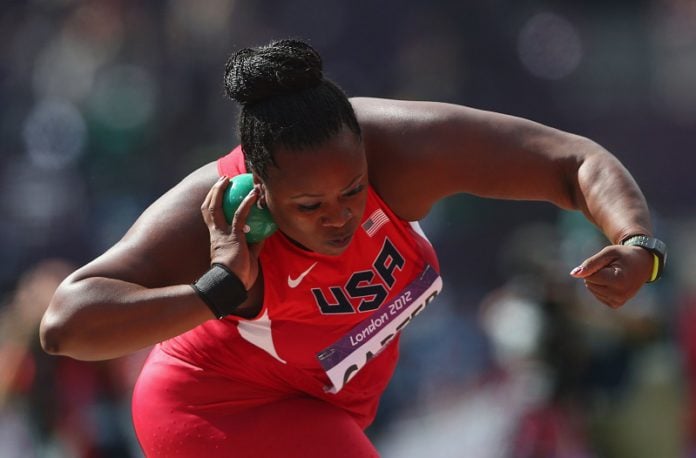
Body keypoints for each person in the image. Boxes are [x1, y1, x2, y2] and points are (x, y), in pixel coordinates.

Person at [39, 39, 666, 457]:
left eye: (353, 191)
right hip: (217, 407)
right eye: (309, 207)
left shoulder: (404, 153)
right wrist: (215, 290)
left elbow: (573, 161)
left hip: (329, 410)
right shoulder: (210, 212)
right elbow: (66, 324)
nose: (339, 217)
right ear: (259, 189)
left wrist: (636, 242)